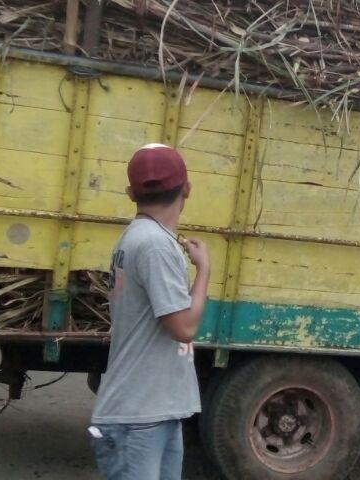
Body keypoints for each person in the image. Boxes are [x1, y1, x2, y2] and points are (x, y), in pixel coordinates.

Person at [89, 144, 211, 480]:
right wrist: (203, 271)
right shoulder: (155, 245)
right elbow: (184, 327)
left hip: (151, 410)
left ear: (131, 193)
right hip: (138, 415)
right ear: (187, 188)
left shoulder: (138, 238)